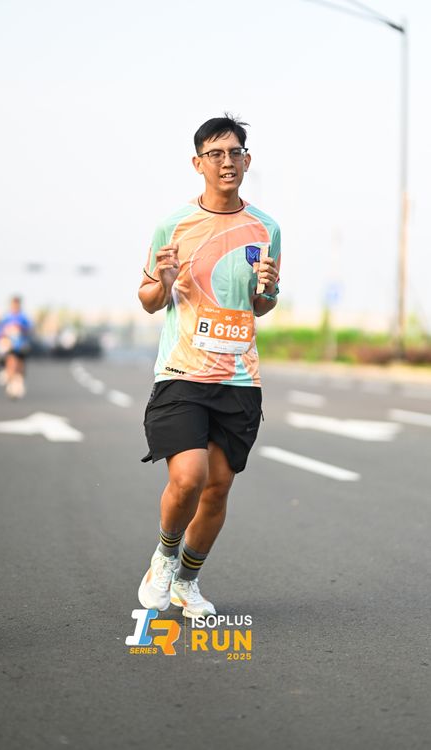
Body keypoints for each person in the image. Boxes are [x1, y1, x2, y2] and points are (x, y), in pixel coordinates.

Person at [137, 114, 281, 618]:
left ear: (247, 160)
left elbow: (262, 304)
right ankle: (164, 557)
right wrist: (163, 281)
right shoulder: (173, 225)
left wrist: (268, 290)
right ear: (197, 163)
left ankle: (186, 580)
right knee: (189, 477)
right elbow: (148, 300)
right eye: (215, 154)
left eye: (235, 153)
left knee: (218, 488)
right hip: (182, 372)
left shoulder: (266, 228)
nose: (226, 162)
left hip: (239, 377)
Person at [0, 297, 32, 399]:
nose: (15, 306)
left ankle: (18, 383)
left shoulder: (23, 317)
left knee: (20, 366)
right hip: (10, 345)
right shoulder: (7, 317)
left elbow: (29, 329)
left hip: (21, 345)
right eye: (13, 304)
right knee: (11, 363)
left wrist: (21, 329)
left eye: (17, 304)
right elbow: (1, 330)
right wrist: (4, 338)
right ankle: (11, 385)